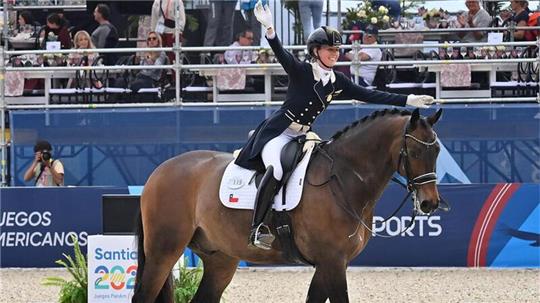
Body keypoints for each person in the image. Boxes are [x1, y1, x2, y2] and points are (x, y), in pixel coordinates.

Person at [235, 1, 434, 250]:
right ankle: (257, 227)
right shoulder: (301, 71)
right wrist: (271, 30)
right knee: (276, 169)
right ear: (316, 51)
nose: (334, 54)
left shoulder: (336, 80)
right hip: (278, 134)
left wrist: (408, 100)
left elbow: (369, 95)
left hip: (303, 136)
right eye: (329, 50)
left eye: (337, 51)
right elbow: (282, 56)